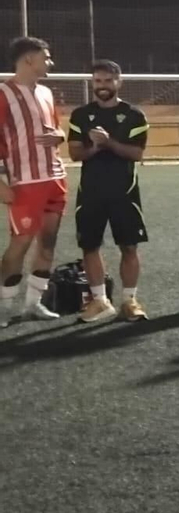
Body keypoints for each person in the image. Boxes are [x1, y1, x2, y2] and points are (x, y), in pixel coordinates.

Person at [67, 60, 150, 323]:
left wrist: (108, 142)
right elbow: (75, 153)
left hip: (124, 192)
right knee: (89, 246)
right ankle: (100, 301)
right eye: (97, 81)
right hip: (91, 191)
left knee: (129, 246)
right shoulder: (80, 115)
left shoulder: (134, 115)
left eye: (107, 80)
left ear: (119, 82)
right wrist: (94, 147)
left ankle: (129, 300)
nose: (102, 86)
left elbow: (136, 154)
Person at [0, 36, 69, 322]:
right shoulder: (3, 93)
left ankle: (34, 303)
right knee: (20, 243)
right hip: (25, 182)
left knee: (48, 242)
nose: (50, 62)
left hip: (55, 177)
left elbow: (57, 129)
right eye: (46, 57)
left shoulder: (46, 93)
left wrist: (60, 136)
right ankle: (3, 306)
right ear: (29, 59)